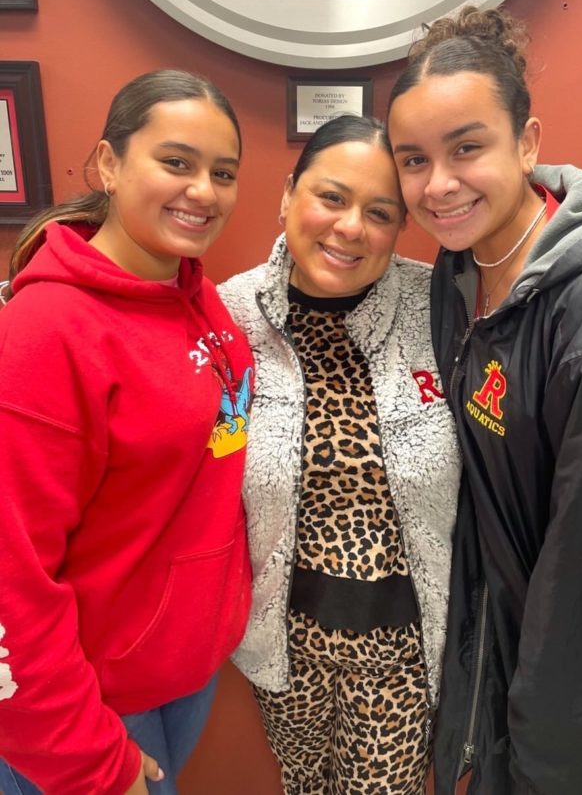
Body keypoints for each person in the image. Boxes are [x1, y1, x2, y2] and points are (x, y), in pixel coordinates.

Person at [387, 6, 582, 794]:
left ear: (527, 142)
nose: (437, 185)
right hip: (498, 682)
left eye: (466, 148)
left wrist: (537, 767)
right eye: (413, 160)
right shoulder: (459, 275)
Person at [0, 69, 254, 795]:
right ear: (109, 164)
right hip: (89, 707)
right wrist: (90, 762)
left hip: (177, 673)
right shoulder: (44, 335)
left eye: (222, 172)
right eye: (176, 162)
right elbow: (10, 582)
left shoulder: (196, 294)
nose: (202, 190)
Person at [218, 114, 461, 794]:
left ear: (400, 225)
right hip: (282, 644)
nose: (350, 226)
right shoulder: (227, 317)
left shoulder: (439, 307)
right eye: (331, 197)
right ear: (289, 194)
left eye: (379, 212)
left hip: (406, 651)